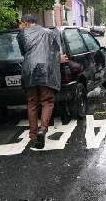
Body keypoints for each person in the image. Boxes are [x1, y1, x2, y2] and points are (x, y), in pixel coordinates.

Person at [17, 14, 68, 149]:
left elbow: (23, 52)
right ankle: (43, 129)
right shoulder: (49, 33)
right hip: (46, 70)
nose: (20, 26)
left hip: (29, 70)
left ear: (25, 23)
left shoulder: (22, 35)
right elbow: (55, 51)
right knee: (47, 102)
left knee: (32, 103)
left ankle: (33, 134)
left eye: (20, 23)